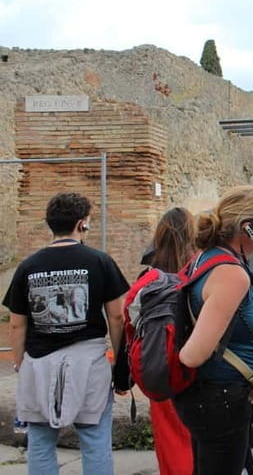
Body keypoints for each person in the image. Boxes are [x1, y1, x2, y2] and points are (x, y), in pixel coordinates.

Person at [3, 192, 129, 474]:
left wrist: (22, 364)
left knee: (39, 443)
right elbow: (117, 316)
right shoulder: (100, 261)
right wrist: (120, 361)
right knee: (95, 441)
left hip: (39, 363)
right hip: (89, 364)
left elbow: (16, 324)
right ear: (83, 224)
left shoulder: (28, 267)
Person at [175, 185, 253, 475]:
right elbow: (193, 355)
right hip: (219, 401)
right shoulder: (230, 274)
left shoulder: (209, 258)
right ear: (249, 228)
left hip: (217, 398)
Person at [138, 207, 197, 475]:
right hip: (197, 370)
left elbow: (132, 328)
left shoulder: (146, 280)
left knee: (170, 444)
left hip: (159, 367)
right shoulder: (203, 273)